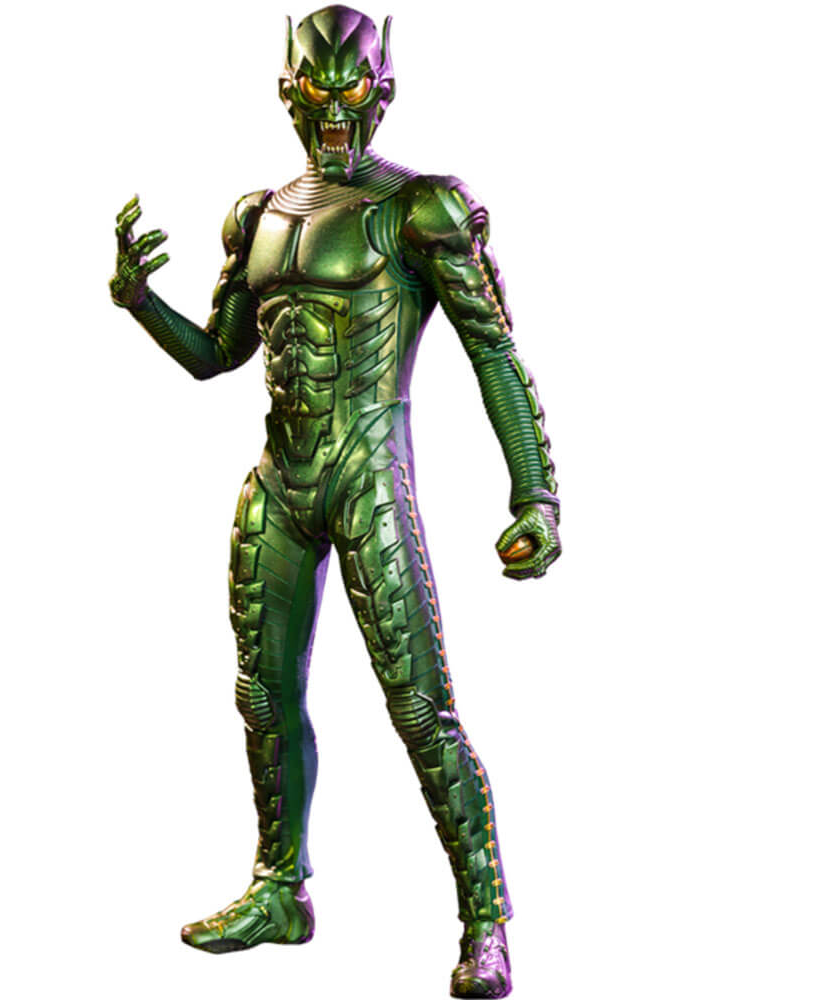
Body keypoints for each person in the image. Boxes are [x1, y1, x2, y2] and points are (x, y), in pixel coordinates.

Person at [109, 6, 561, 996]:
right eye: (314, 103)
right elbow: (218, 357)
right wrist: (139, 302)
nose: (333, 122)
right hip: (280, 483)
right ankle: (281, 888)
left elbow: (493, 350)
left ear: (380, 95)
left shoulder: (422, 209)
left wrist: (536, 495)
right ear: (288, 97)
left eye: (350, 101)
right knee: (263, 695)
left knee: (421, 709)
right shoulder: (258, 214)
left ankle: (485, 920)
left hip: (367, 481)